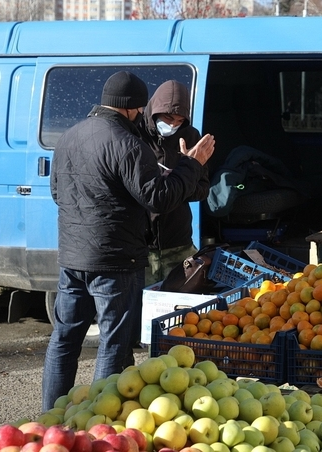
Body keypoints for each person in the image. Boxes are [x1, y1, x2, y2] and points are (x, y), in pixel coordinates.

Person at [42, 71, 215, 411]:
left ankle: (50, 414)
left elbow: (57, 193)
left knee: (64, 340)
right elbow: (158, 198)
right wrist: (191, 164)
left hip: (72, 258)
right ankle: (99, 419)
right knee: (114, 344)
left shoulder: (69, 136)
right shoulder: (127, 143)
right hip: (116, 260)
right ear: (133, 108)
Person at [138, 80, 210, 287]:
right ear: (154, 111)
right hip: (141, 246)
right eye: (168, 118)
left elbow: (203, 189)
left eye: (179, 121)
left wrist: (179, 180)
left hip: (179, 242)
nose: (172, 125)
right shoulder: (135, 134)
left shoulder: (191, 136)